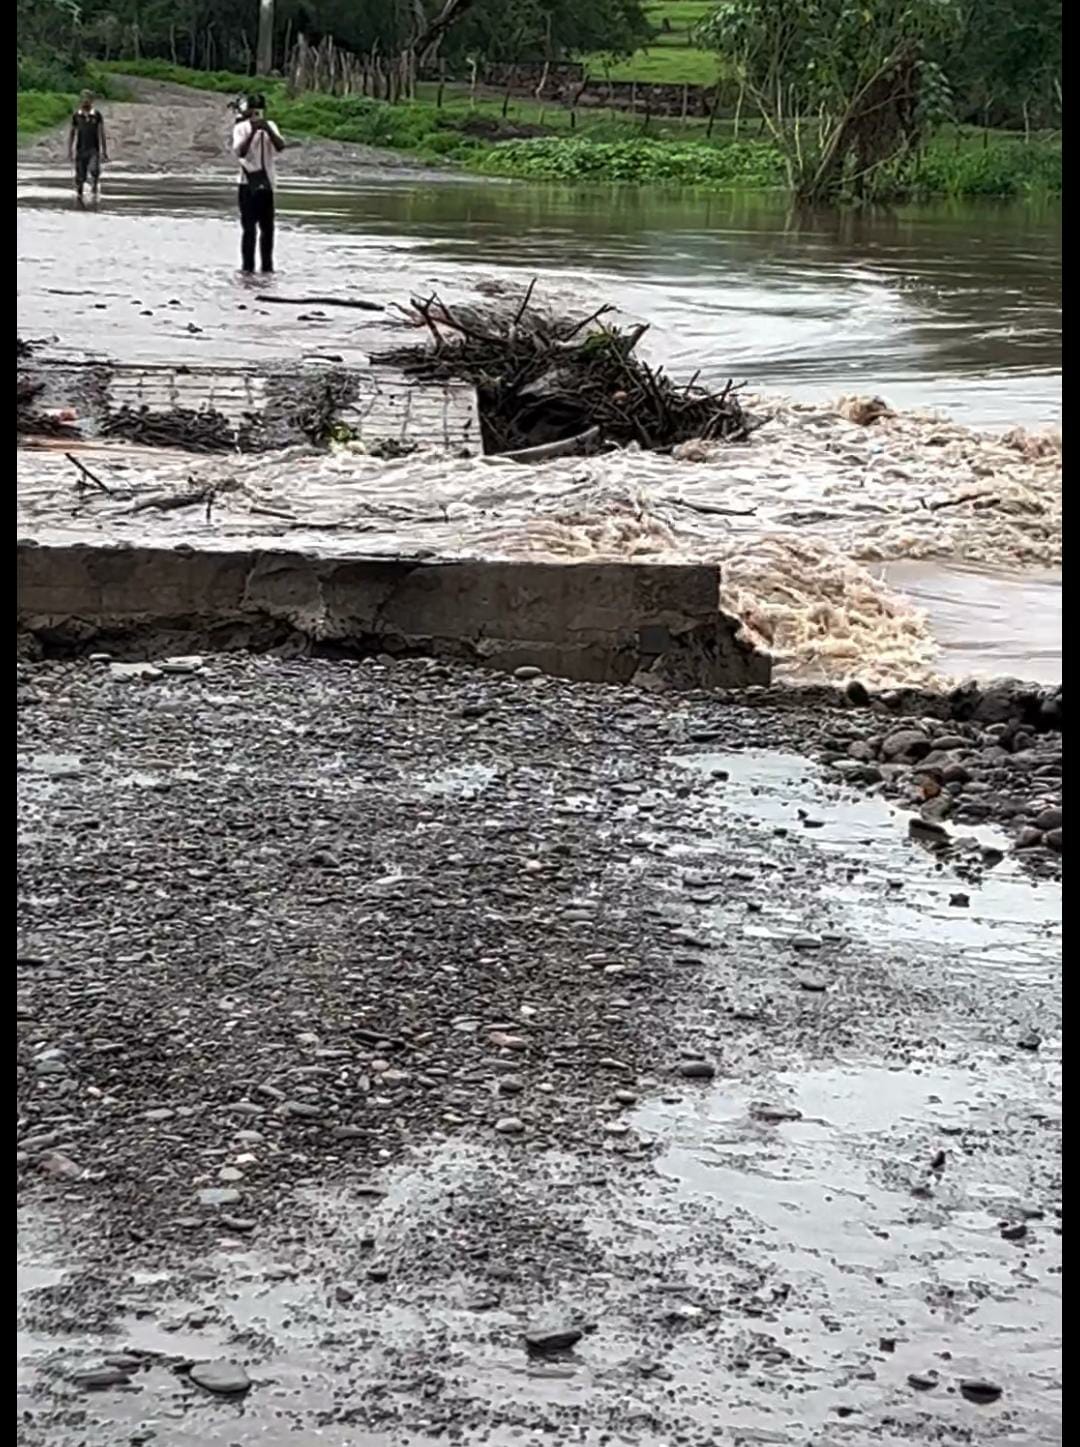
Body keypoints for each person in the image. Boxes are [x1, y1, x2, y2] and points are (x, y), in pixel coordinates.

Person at [232, 94, 285, 274]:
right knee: (249, 229)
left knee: (268, 229)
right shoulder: (241, 128)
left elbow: (280, 146)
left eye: (259, 111)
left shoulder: (271, 126)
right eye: (253, 111)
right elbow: (240, 152)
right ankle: (247, 268)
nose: (256, 115)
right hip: (247, 184)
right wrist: (253, 131)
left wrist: (267, 130)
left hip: (267, 183)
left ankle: (267, 268)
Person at [68, 91, 108, 206]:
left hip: (93, 149)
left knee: (94, 169)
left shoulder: (97, 115)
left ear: (92, 101)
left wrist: (104, 151)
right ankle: (79, 196)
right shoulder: (76, 116)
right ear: (80, 101)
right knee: (80, 177)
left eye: (88, 99)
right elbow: (72, 133)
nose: (85, 101)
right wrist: (70, 150)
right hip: (80, 149)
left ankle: (95, 184)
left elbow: (101, 133)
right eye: (83, 99)